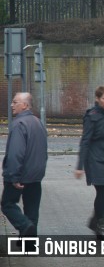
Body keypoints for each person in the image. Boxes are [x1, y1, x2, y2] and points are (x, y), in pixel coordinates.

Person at [74, 85, 104, 240]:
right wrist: (80, 166)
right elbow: (85, 141)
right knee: (102, 191)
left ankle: (95, 220)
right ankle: (100, 225)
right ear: (97, 99)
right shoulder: (91, 116)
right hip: (94, 157)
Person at [1, 92, 48, 237]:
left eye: (15, 102)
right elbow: (43, 151)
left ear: (25, 105)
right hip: (35, 176)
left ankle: (24, 225)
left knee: (8, 204)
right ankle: (29, 244)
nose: (11, 105)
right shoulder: (38, 123)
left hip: (20, 175)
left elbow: (16, 153)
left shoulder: (19, 124)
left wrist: (13, 176)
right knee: (32, 210)